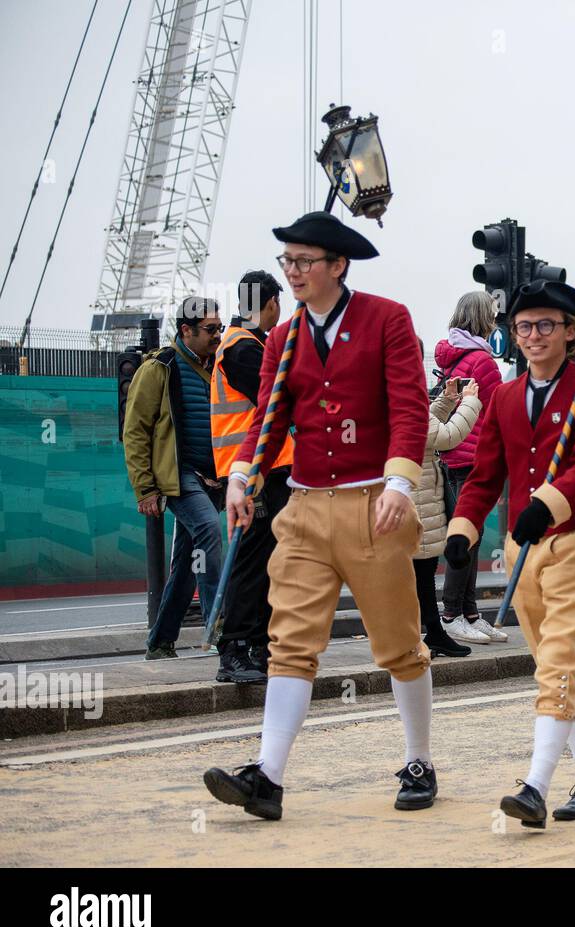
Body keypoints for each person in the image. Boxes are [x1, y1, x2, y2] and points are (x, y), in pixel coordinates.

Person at [203, 212, 437, 821]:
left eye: (305, 261)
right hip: (304, 507)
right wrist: (242, 475)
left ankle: (420, 759)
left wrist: (399, 483)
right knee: (290, 644)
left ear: (339, 265)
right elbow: (268, 420)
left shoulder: (388, 318)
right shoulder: (280, 340)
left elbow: (410, 408)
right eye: (288, 262)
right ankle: (268, 776)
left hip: (373, 505)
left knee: (398, 645)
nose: (294, 272)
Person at [444, 279, 575, 828]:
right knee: (559, 665)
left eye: (547, 325)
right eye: (524, 326)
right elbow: (485, 473)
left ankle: (535, 786)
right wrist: (464, 529)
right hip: (525, 549)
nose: (534, 335)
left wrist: (548, 502)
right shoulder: (501, 396)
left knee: (560, 660)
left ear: (570, 333)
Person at [123, 296, 226, 661]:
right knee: (210, 531)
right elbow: (135, 431)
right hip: (179, 477)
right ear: (186, 330)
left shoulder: (218, 366)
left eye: (221, 329)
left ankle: (160, 641)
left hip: (214, 479)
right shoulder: (159, 368)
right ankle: (221, 630)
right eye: (211, 330)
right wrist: (146, 488)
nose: (218, 336)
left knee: (186, 561)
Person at [209, 270, 292, 682]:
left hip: (265, 469)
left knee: (267, 559)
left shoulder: (247, 344)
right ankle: (236, 648)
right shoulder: (242, 348)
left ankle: (256, 645)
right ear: (271, 302)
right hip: (251, 472)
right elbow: (279, 394)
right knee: (251, 559)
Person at [434, 292, 506, 644]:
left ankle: (469, 612)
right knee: (468, 538)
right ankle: (452, 613)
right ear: (484, 319)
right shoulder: (483, 362)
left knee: (466, 537)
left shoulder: (451, 357)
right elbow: (499, 411)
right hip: (475, 456)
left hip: (450, 454)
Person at [412, 374, 481, 657]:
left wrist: (447, 399)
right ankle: (428, 634)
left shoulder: (390, 393)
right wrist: (470, 403)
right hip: (418, 498)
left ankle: (432, 633)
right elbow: (446, 437)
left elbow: (425, 428)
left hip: (417, 496)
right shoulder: (400, 399)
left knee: (422, 571)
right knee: (421, 571)